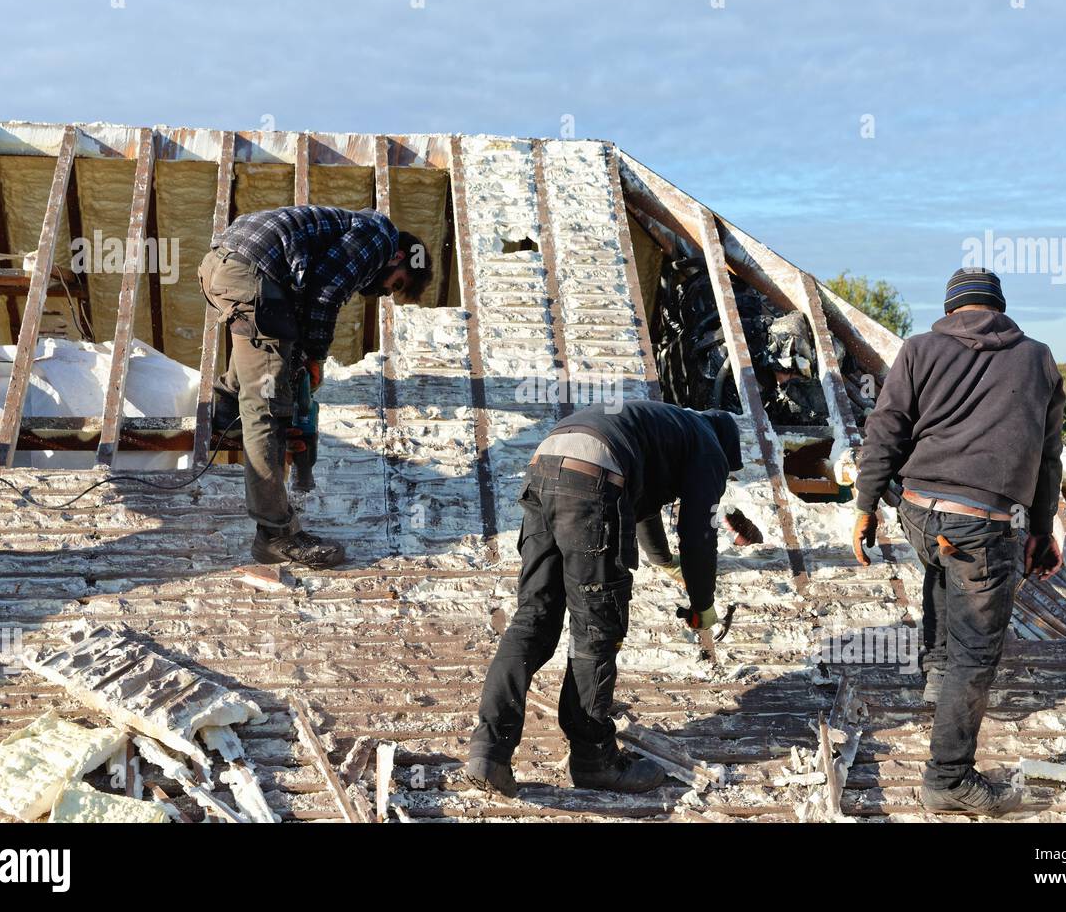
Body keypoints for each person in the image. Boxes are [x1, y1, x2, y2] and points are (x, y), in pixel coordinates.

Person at [852, 267, 1066, 817]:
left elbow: (887, 427)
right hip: (981, 521)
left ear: (951, 311)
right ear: (999, 308)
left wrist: (865, 505)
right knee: (979, 653)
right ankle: (948, 777)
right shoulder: (1038, 357)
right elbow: (1047, 457)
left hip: (919, 512)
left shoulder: (919, 349)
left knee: (940, 569)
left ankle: (938, 677)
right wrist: (1041, 530)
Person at [465, 401, 749, 796]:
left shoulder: (667, 427)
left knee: (534, 618)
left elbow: (643, 509)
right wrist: (703, 603)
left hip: (546, 465)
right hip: (594, 479)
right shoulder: (710, 448)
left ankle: (488, 750)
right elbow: (698, 531)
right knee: (597, 626)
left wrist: (666, 563)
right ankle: (594, 759)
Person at [198, 206, 431, 568]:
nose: (385, 292)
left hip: (220, 264)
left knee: (265, 341)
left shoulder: (351, 226)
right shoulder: (379, 238)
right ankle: (276, 535)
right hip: (251, 274)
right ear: (399, 256)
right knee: (269, 412)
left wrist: (297, 358)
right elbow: (325, 294)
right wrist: (315, 358)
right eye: (396, 283)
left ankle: (226, 406)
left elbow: (305, 292)